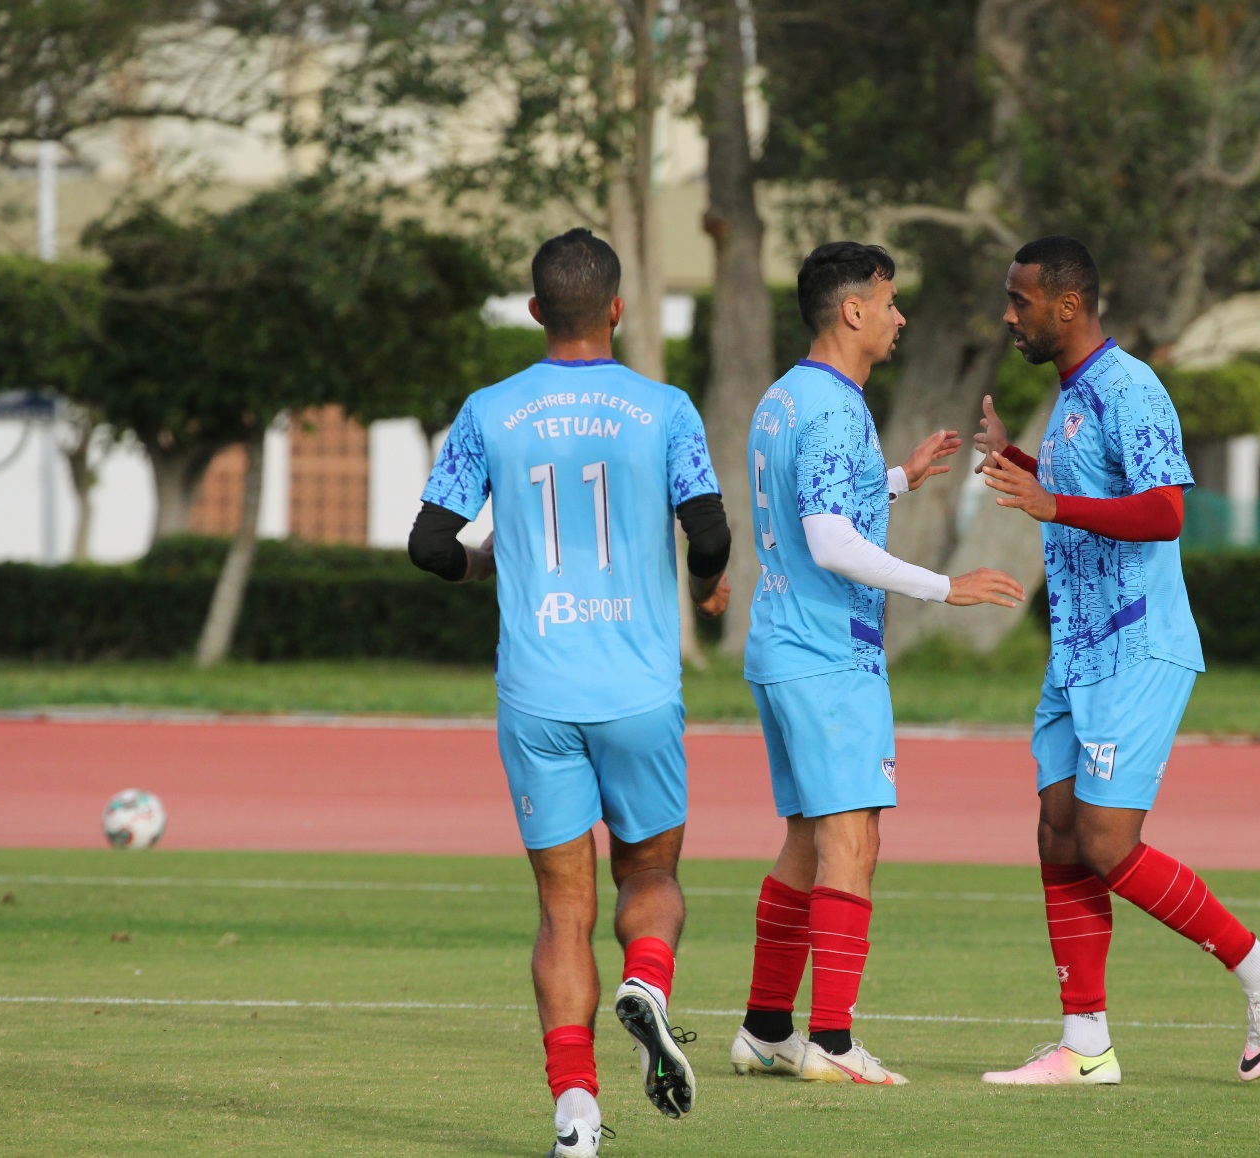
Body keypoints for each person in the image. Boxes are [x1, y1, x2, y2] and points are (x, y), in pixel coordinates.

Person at [407, 228, 732, 1156]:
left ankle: (576, 1116)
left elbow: (428, 545)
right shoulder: (663, 408)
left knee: (562, 909)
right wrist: (707, 582)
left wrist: (483, 564)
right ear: (618, 310)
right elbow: (708, 531)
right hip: (637, 690)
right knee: (652, 875)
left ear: (535, 310)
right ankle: (649, 981)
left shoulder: (491, 409)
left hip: (537, 692)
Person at [974, 236, 1260, 1086]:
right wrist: (1018, 464)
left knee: (1106, 842)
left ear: (1067, 305)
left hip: (1135, 648)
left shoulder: (1131, 388)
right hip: (1076, 653)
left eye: (1019, 301)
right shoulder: (1071, 395)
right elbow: (1087, 496)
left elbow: (1163, 512)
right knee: (1057, 831)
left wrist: (1049, 501)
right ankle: (1084, 1045)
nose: (1008, 316)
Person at [730, 241, 1026, 1087]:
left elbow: (813, 504)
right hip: (828, 656)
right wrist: (945, 586)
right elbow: (828, 541)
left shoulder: (785, 397)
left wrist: (893, 480)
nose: (899, 317)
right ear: (852, 309)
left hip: (783, 644)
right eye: (890, 302)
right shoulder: (833, 408)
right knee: (852, 840)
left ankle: (765, 1029)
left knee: (807, 839)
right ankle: (830, 1042)